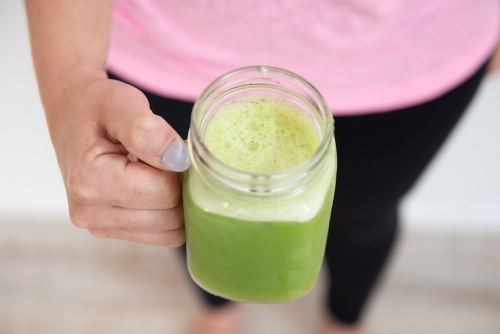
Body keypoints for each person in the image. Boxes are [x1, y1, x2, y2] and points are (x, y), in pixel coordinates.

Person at [25, 1, 500, 334]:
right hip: (168, 50)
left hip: (413, 52)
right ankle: (218, 307)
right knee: (182, 210)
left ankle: (345, 320)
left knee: (365, 216)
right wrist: (70, 82)